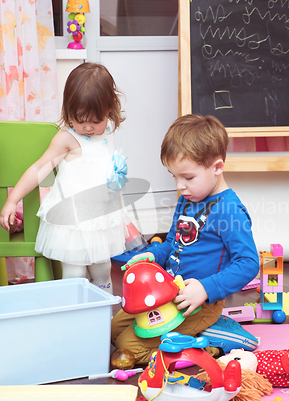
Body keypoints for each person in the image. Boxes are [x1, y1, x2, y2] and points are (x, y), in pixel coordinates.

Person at [111, 113, 260, 363]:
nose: (180, 186)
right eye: (174, 177)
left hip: (198, 302)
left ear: (217, 167)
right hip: (169, 291)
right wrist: (152, 255)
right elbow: (172, 244)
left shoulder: (229, 209)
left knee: (127, 348)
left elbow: (248, 263)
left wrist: (205, 288)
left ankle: (210, 342)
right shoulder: (187, 199)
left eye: (188, 177)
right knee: (113, 330)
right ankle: (197, 334)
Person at [0, 62, 129, 293]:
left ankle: (103, 314)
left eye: (96, 120)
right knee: (75, 272)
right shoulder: (66, 139)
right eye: (80, 119)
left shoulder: (107, 131)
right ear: (69, 111)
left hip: (99, 217)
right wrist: (12, 200)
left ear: (110, 110)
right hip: (73, 220)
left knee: (102, 267)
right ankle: (73, 313)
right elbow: (38, 169)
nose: (88, 127)